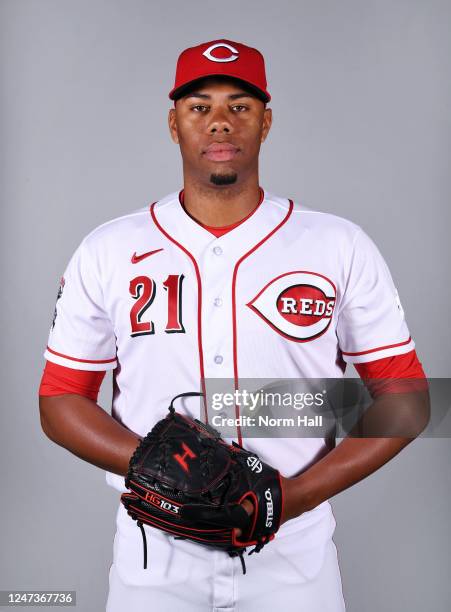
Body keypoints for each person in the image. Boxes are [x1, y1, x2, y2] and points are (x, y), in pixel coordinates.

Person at [38, 39, 430, 611]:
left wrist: (291, 497)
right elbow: (59, 400)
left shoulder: (337, 244)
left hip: (294, 556)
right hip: (154, 552)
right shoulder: (109, 249)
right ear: (174, 125)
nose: (219, 122)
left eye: (239, 107)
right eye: (200, 107)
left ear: (265, 123)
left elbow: (408, 397)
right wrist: (168, 472)